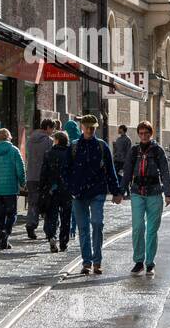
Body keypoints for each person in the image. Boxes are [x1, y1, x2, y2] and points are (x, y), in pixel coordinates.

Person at [65, 114, 123, 275]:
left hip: (97, 192)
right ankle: (86, 262)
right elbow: (65, 171)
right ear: (82, 127)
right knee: (83, 229)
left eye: (93, 127)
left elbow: (111, 171)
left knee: (97, 224)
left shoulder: (102, 146)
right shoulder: (74, 147)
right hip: (78, 194)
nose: (90, 130)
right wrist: (71, 188)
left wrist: (116, 191)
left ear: (96, 128)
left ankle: (97, 261)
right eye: (87, 127)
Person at [122, 122, 170, 277]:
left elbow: (165, 172)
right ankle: (138, 262)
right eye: (141, 133)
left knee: (151, 230)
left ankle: (150, 263)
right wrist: (119, 191)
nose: (143, 136)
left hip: (155, 193)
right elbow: (128, 171)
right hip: (137, 192)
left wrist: (168, 193)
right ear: (138, 134)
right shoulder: (134, 151)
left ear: (151, 133)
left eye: (146, 133)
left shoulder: (157, 151)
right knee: (137, 228)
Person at [39, 130, 75, 252]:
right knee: (66, 217)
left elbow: (43, 174)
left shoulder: (49, 154)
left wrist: (42, 187)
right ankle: (64, 242)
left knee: (51, 216)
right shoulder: (70, 154)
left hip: (52, 190)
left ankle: (52, 236)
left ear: (57, 141)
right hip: (67, 190)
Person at [24, 120, 55, 241]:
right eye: (52, 129)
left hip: (31, 175)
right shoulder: (49, 141)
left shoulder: (30, 140)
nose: (53, 132)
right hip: (43, 177)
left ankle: (31, 224)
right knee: (48, 203)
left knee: (33, 202)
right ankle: (48, 230)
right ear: (47, 128)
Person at [112, 124, 132, 191]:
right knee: (116, 175)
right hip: (117, 160)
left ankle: (127, 190)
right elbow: (116, 150)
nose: (118, 130)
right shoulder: (118, 139)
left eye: (119, 129)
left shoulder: (127, 139)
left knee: (124, 176)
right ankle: (120, 189)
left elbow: (128, 151)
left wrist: (127, 162)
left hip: (123, 161)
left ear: (123, 130)